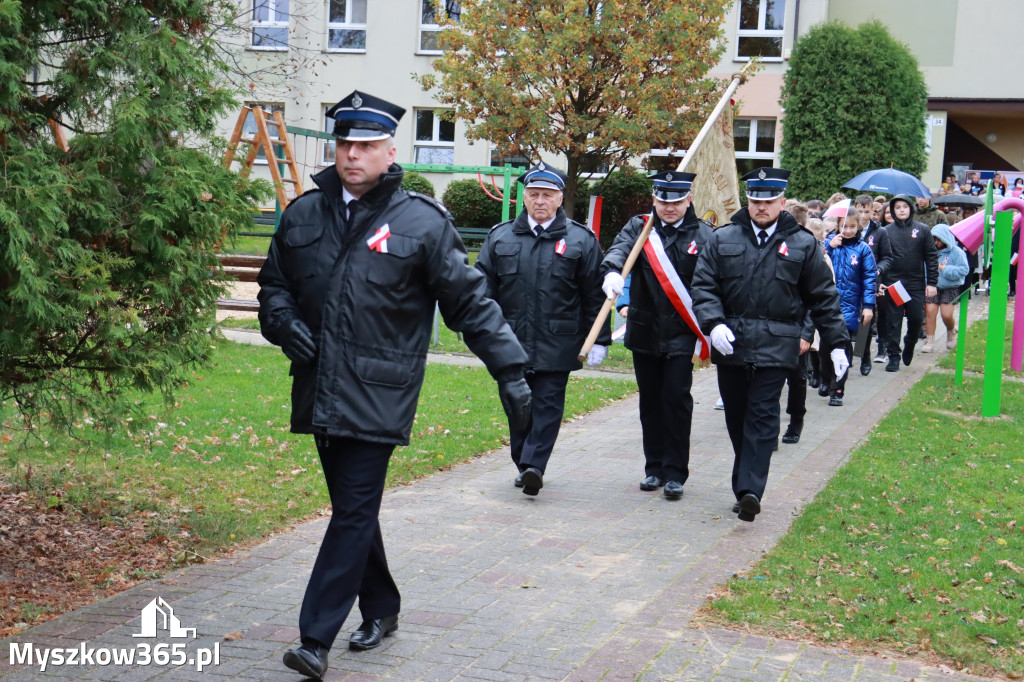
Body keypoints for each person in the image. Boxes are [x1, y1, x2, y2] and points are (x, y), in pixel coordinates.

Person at [258, 91, 533, 681]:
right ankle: (382, 607)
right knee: (353, 511)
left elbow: (470, 303)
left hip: (380, 391)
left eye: (365, 145)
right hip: (319, 386)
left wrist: (510, 370)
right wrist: (283, 325)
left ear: (390, 150)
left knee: (352, 510)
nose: (352, 155)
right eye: (344, 143)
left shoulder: (421, 223)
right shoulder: (304, 214)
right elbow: (274, 285)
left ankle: (314, 639)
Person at [692, 168, 848, 522]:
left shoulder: (804, 244)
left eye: (769, 200)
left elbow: (823, 297)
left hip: (778, 345)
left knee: (762, 417)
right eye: (755, 200)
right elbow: (703, 286)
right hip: (731, 342)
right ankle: (743, 483)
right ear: (748, 200)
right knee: (736, 416)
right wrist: (713, 324)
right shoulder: (723, 238)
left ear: (782, 201)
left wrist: (837, 344)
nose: (761, 206)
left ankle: (750, 490)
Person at [476, 162, 610, 497]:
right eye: (534, 194)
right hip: (511, 342)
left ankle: (534, 466)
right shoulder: (500, 237)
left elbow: (595, 294)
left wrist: (600, 339)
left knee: (548, 405)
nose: (540, 201)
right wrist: (480, 331)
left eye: (547, 195)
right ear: (524, 198)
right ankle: (524, 463)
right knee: (517, 406)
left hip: (559, 341)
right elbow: (481, 290)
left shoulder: (581, 240)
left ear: (560, 198)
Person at [600, 171, 713, 498]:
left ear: (688, 199)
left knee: (676, 400)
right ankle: (654, 468)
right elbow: (619, 250)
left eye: (676, 201)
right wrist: (611, 272)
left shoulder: (703, 235)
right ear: (654, 200)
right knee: (650, 402)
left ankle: (676, 472)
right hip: (644, 329)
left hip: (680, 332)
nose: (670, 207)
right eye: (663, 201)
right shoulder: (639, 227)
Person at [877, 194, 939, 372]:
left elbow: (931, 257)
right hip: (894, 282)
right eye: (898, 207)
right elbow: (880, 258)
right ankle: (894, 356)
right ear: (893, 211)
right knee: (894, 320)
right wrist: (880, 282)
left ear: (911, 208)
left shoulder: (922, 229)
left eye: (905, 206)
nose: (902, 209)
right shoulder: (886, 231)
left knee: (916, 318)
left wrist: (932, 282)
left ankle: (910, 341)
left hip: (915, 283)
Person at [822, 207, 876, 405]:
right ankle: (826, 377)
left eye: (852, 226)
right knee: (825, 347)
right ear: (837, 225)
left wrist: (868, 305)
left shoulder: (863, 249)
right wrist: (829, 247)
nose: (847, 231)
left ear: (859, 226)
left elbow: (870, 278)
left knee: (843, 346)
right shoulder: (829, 244)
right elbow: (818, 266)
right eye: (844, 226)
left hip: (850, 305)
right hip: (827, 304)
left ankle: (838, 388)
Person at [923, 224, 970, 351]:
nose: (937, 243)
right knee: (930, 312)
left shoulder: (956, 252)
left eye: (940, 239)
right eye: (934, 239)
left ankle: (951, 331)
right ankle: (930, 340)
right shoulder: (929, 251)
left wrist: (944, 268)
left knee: (946, 314)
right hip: (933, 286)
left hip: (950, 287)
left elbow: (964, 269)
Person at [859, 204, 893, 370]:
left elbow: (887, 257)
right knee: (859, 317)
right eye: (860, 211)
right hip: (854, 280)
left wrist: (879, 269)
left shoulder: (880, 232)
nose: (863, 215)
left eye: (867, 211)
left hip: (875, 280)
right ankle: (861, 352)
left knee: (875, 315)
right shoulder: (850, 229)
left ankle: (881, 348)